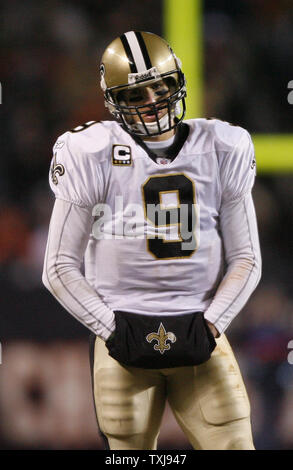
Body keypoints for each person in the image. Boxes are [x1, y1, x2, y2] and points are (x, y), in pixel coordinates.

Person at [42, 31, 261, 450]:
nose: (153, 102)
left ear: (176, 82)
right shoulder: (89, 151)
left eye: (159, 88)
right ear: (114, 103)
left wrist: (212, 323)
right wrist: (114, 330)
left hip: (202, 333)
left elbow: (246, 257)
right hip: (123, 338)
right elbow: (57, 266)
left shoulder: (223, 146)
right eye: (135, 96)